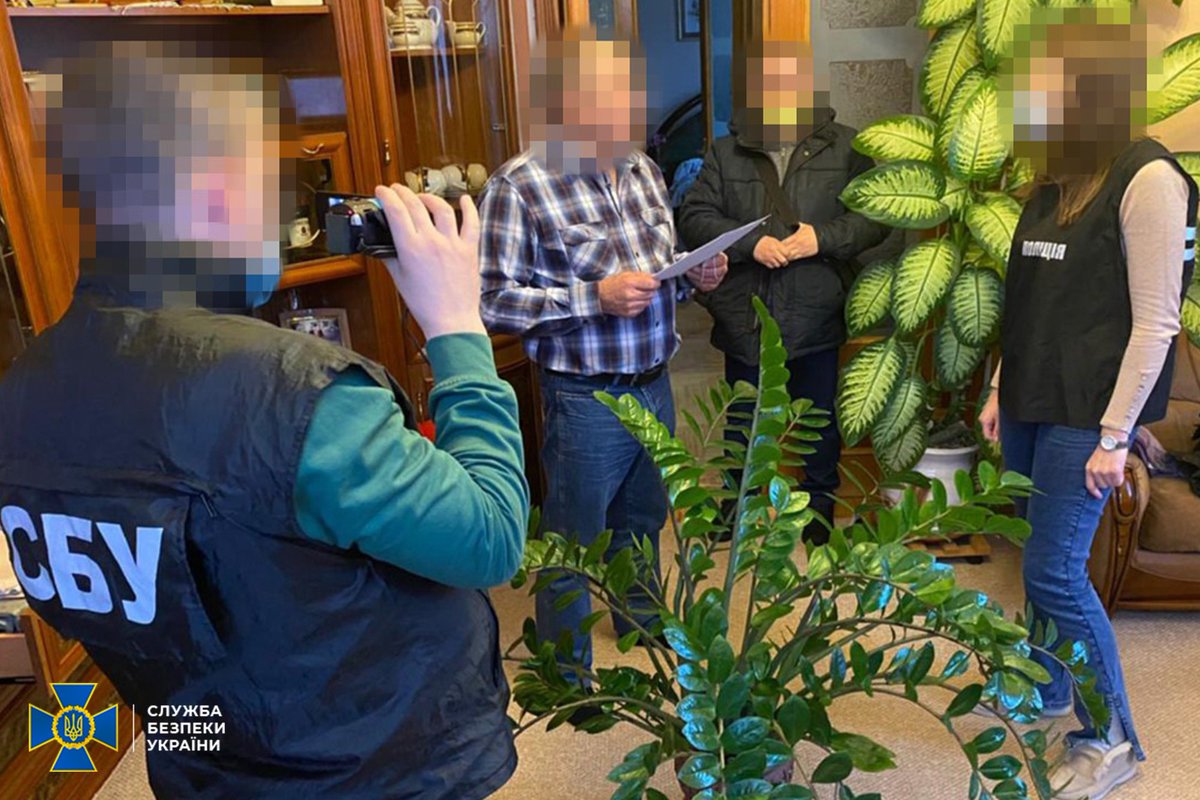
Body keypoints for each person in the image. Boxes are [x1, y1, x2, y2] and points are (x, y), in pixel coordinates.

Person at [0, 41, 528, 799]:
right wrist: (456, 328)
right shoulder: (296, 393)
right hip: (371, 770)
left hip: (199, 755)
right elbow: (491, 538)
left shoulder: (20, 394)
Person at [978, 10, 1198, 800]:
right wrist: (999, 387)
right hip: (1032, 399)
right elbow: (1028, 302)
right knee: (1032, 557)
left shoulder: (1151, 179)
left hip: (1087, 414)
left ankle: (1113, 738)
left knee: (1056, 570)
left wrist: (1115, 435)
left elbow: (1157, 322)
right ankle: (1046, 687)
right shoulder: (1054, 179)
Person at [478, 28, 727, 682]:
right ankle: (566, 672)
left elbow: (657, 274)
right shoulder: (519, 185)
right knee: (574, 540)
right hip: (585, 398)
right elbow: (492, 302)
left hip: (656, 380)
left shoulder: (643, 171)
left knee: (643, 519)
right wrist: (593, 297)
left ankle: (640, 622)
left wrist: (695, 275)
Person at [677, 39, 888, 544]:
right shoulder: (725, 151)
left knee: (818, 421)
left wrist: (823, 238)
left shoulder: (848, 146)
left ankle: (818, 514)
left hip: (817, 309)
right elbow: (694, 216)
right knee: (744, 420)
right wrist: (751, 243)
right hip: (745, 313)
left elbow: (875, 218)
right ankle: (737, 509)